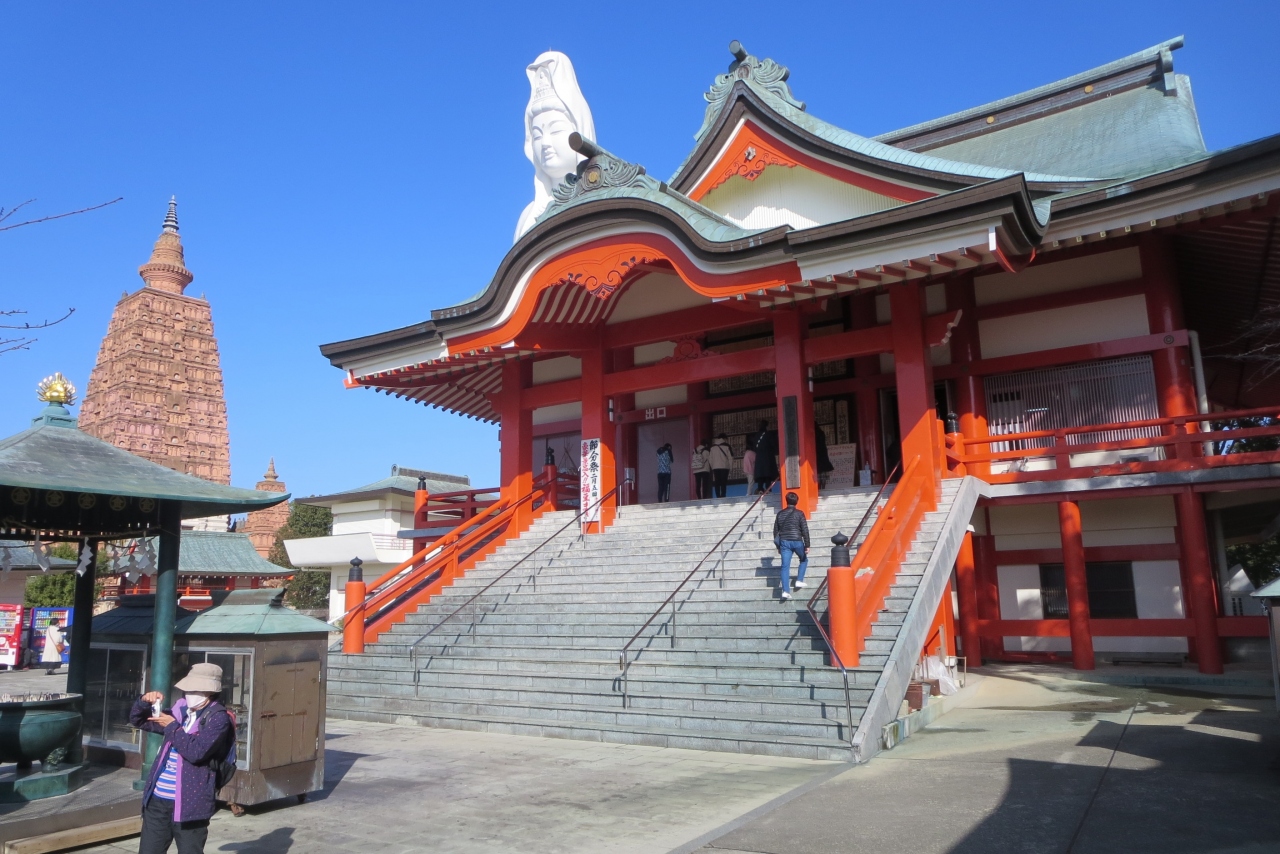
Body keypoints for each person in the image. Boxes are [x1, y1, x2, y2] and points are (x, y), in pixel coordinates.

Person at [131, 662, 233, 854]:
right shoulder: (180, 711)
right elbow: (139, 721)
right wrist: (144, 702)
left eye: (195, 690)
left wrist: (172, 727)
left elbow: (196, 752)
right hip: (158, 800)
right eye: (188, 689)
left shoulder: (218, 718)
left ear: (209, 692)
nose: (188, 694)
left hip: (191, 805)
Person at [773, 491, 811, 601]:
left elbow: (775, 531)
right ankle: (799, 580)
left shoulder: (780, 514)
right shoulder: (800, 513)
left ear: (786, 501)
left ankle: (785, 591)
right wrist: (807, 545)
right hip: (797, 541)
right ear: (796, 501)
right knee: (803, 559)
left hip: (784, 543)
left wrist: (778, 547)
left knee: (785, 566)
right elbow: (805, 530)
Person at [751, 421, 779, 493]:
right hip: (768, 457)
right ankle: (768, 489)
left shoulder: (756, 436)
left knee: (760, 474)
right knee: (767, 474)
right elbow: (773, 445)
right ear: (766, 426)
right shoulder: (768, 435)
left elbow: (754, 448)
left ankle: (760, 489)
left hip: (759, 458)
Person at [709, 434, 733, 498]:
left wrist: (713, 466)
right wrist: (730, 467)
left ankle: (718, 496)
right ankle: (723, 495)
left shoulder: (712, 447)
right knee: (723, 482)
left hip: (715, 467)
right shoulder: (727, 446)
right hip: (724, 467)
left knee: (717, 482)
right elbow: (730, 458)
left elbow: (710, 459)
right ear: (724, 438)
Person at [815, 424, 835, 490]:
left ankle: (818, 488)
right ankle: (823, 488)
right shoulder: (821, 433)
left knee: (818, 474)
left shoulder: (814, 434)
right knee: (823, 474)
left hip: (817, 455)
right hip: (823, 454)